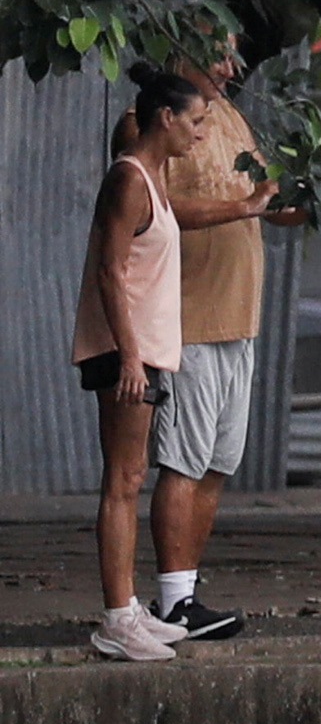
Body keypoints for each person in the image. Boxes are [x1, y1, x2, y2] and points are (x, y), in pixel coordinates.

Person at [146, 50, 307, 638]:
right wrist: (240, 207)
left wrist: (307, 200)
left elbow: (268, 202)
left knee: (217, 464)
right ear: (181, 49)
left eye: (236, 53)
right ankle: (169, 603)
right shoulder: (152, 123)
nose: (231, 65)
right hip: (190, 320)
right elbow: (154, 203)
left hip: (242, 319)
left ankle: (185, 596)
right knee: (183, 462)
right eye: (218, 52)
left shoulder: (232, 117)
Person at [70, 72, 194, 662]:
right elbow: (109, 272)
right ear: (165, 118)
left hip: (144, 352)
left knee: (131, 477)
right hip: (127, 354)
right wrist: (128, 354)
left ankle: (129, 605)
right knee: (122, 481)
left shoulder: (153, 178)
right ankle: (117, 617)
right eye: (193, 121)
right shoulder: (129, 179)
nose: (198, 133)